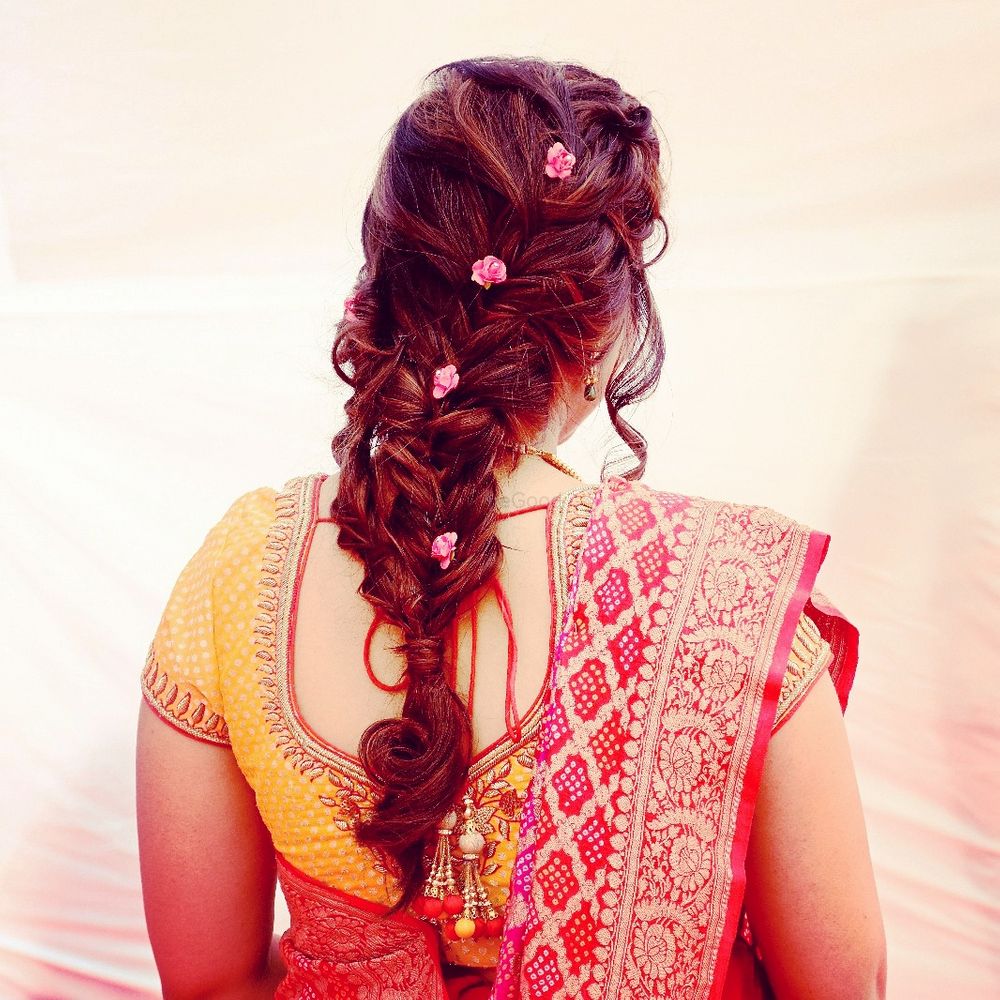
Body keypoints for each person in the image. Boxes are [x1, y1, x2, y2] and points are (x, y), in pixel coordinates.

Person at [135, 56, 886, 1000]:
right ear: (608, 318)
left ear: (388, 282)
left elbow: (205, 984)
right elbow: (842, 985)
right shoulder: (728, 598)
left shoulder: (240, 570)